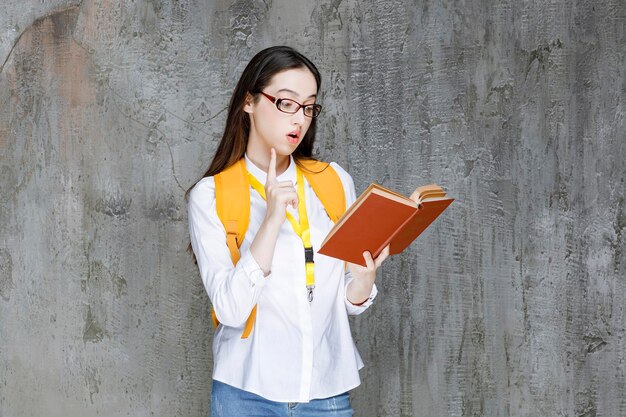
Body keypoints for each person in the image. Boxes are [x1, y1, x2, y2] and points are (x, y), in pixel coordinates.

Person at [187, 46, 407, 416]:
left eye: (308, 107)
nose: (300, 120)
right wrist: (271, 220)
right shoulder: (211, 195)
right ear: (249, 102)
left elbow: (344, 301)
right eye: (286, 103)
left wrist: (364, 282)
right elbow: (229, 309)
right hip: (245, 395)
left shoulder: (333, 181)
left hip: (325, 392)